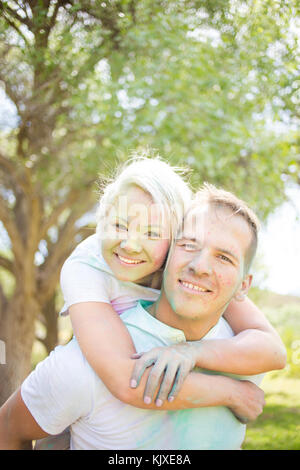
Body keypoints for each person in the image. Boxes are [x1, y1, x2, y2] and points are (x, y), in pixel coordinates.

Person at [0, 184, 285, 449]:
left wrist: (192, 352)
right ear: (166, 256)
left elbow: (274, 351)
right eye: (188, 245)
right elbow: (8, 428)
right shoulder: (82, 365)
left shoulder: (246, 359)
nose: (200, 266)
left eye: (224, 257)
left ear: (244, 285)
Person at [59, 154, 285, 410]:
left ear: (175, 238)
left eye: (152, 233)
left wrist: (193, 351)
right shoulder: (85, 266)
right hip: (73, 399)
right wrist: (232, 392)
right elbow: (127, 380)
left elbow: (273, 349)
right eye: (119, 225)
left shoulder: (183, 265)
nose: (130, 245)